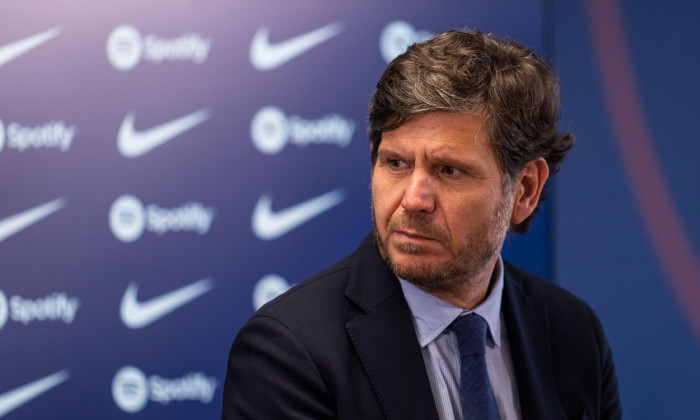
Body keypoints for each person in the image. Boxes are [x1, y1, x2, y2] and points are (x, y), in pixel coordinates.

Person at [222, 30, 621, 420]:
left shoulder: (574, 333)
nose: (413, 200)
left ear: (525, 191)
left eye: (449, 170)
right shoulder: (289, 351)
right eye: (396, 163)